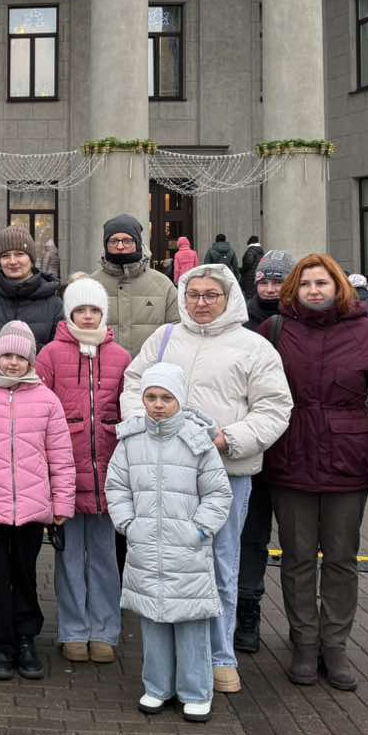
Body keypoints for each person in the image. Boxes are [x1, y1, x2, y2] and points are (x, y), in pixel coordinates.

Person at [120, 265, 292, 695]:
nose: (201, 302)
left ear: (228, 297)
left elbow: (274, 407)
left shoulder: (253, 347)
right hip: (164, 473)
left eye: (210, 295)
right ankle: (173, 657)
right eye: (193, 294)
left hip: (226, 472)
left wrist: (227, 439)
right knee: (165, 563)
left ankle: (219, 655)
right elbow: (134, 385)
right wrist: (146, 430)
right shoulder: (164, 339)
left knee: (219, 564)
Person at [261, 255, 368, 691]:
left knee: (342, 557)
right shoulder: (275, 330)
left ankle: (335, 643)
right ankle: (305, 642)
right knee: (297, 557)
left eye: (322, 283)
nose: (314, 290)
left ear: (338, 286)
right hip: (290, 455)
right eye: (306, 283)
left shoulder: (364, 332)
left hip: (348, 458)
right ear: (294, 288)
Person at [108, 363, 233, 723]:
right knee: (153, 618)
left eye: (166, 397)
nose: (158, 405)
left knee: (191, 621)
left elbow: (218, 493)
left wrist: (199, 529)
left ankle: (196, 691)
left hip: (187, 549)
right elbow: (117, 486)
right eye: (151, 397)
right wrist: (128, 524)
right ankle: (157, 686)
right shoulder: (131, 441)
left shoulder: (196, 441)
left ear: (179, 399)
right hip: (146, 546)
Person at [0, 321, 74, 682]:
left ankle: (25, 638)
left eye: (20, 357)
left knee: (24, 575)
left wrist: (62, 503)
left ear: (30, 360)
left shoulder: (47, 400)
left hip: (33, 510)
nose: (12, 362)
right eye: (6, 355)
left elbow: (60, 457)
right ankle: (0, 644)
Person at [36, 277, 131, 666]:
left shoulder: (121, 357)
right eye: (80, 310)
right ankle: (73, 630)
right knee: (70, 556)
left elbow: (130, 410)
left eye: (94, 310)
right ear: (69, 313)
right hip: (66, 474)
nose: (88, 316)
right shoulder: (50, 355)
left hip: (108, 475)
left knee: (105, 557)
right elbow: (39, 410)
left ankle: (104, 631)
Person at [235, 248, 296, 655]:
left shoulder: (304, 323)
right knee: (250, 535)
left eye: (279, 281)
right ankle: (247, 609)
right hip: (250, 444)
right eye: (265, 281)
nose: (271, 289)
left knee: (298, 541)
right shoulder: (240, 321)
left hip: (293, 445)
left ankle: (302, 625)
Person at [0, 225, 63, 383]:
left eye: (20, 254)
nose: (13, 261)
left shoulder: (53, 303)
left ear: (31, 258)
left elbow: (58, 357)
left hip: (34, 393)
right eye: (6, 256)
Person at [92, 215, 180, 358]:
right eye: (113, 241)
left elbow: (177, 331)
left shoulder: (163, 285)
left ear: (137, 243)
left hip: (150, 368)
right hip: (102, 368)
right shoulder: (90, 285)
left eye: (127, 241)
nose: (120, 246)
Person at [245, 250, 294, 327]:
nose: (269, 290)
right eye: (263, 283)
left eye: (278, 282)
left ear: (292, 284)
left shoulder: (304, 317)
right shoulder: (242, 318)